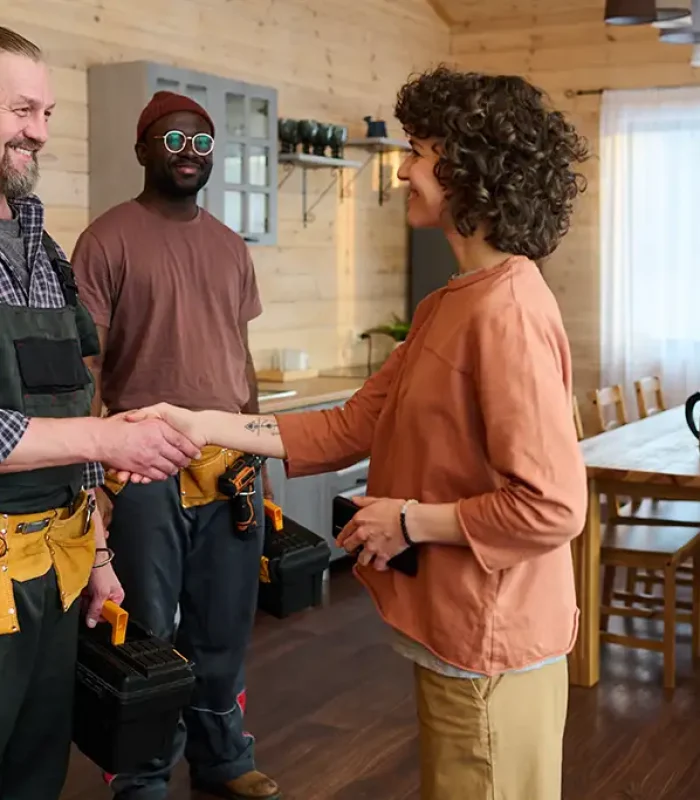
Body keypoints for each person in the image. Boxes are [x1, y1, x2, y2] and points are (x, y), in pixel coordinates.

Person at [126, 67, 591, 800]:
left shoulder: (507, 313)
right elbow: (349, 425)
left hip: (494, 639)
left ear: (471, 169)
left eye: (420, 152)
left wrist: (408, 521)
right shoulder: (449, 304)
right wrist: (201, 422)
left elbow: (553, 507)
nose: (403, 170)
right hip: (457, 631)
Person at [0, 27, 203, 800]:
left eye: (47, 113)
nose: (40, 132)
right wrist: (104, 437)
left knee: (36, 770)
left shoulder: (41, 248)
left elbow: (68, 398)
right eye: (21, 110)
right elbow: (85, 425)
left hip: (54, 569)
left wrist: (97, 557)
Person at [71, 90, 279, 800]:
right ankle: (142, 779)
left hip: (230, 467)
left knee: (224, 625)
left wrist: (261, 452)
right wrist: (90, 476)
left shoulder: (229, 245)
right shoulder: (107, 239)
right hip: (141, 467)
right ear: (142, 150)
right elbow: (88, 367)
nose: (190, 155)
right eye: (173, 141)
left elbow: (239, 357)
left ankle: (223, 760)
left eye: (201, 143)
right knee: (146, 628)